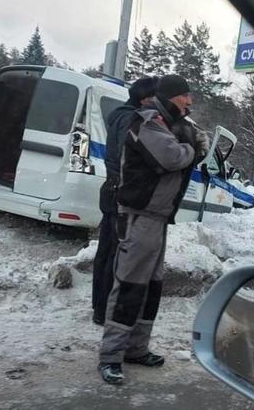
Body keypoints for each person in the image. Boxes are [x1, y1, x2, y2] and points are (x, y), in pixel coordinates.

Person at [98, 75, 209, 384]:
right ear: (172, 96)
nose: (190, 102)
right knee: (130, 285)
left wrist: (188, 143)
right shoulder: (146, 122)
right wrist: (194, 149)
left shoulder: (168, 123)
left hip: (157, 218)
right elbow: (172, 157)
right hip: (140, 216)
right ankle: (110, 356)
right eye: (186, 96)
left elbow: (176, 152)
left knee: (150, 287)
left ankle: (136, 348)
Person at [92, 76, 158, 325]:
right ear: (145, 100)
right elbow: (127, 158)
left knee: (106, 253)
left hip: (111, 190)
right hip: (121, 193)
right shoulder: (132, 120)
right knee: (114, 256)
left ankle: (100, 309)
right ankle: (105, 311)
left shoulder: (120, 116)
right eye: (156, 98)